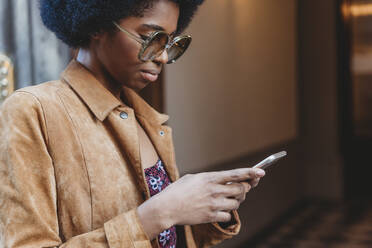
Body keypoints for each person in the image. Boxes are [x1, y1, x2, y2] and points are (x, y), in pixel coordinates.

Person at [0, 0, 266, 247]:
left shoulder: (148, 120)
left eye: (170, 43)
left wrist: (212, 203)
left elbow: (167, 236)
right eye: (151, 37)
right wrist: (160, 212)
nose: (162, 57)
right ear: (98, 25)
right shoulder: (33, 111)